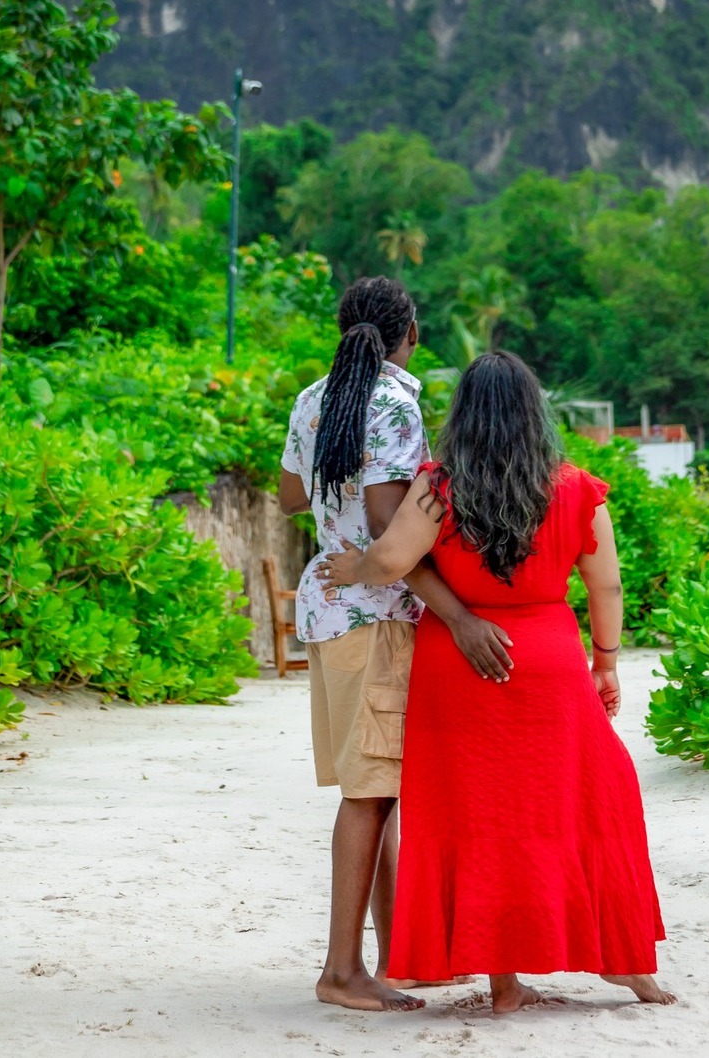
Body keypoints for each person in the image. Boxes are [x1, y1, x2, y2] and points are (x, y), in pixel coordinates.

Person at [317, 349, 675, 1016]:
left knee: (482, 819)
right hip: (546, 660)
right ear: (534, 414)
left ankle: (504, 981)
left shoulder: (438, 486)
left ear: (464, 417)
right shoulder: (574, 487)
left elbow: (393, 559)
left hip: (457, 669)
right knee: (589, 804)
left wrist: (352, 569)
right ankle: (624, 960)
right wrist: (606, 660)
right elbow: (607, 584)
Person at [277, 277, 516, 1013]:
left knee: (379, 790)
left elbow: (291, 496)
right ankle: (342, 971)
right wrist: (460, 615)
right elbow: (390, 526)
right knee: (371, 794)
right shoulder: (392, 402)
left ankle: (391, 958)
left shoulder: (315, 397)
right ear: (408, 330)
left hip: (330, 608)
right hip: (377, 612)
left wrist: (338, 507)